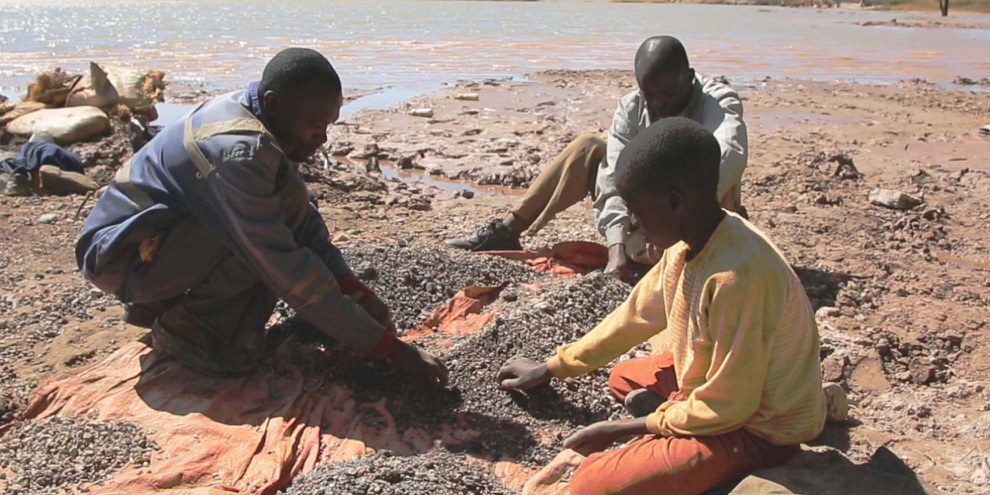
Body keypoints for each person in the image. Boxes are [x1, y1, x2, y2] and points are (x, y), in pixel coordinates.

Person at [497, 118, 844, 495]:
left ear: (676, 202)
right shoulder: (686, 244)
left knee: (591, 484)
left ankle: (704, 442)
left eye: (637, 211)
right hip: (725, 388)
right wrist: (553, 366)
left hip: (758, 427)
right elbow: (634, 316)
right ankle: (678, 420)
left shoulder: (737, 278)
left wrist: (630, 427)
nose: (632, 222)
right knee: (624, 378)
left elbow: (730, 407)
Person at [76, 48, 448, 388]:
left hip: (160, 240)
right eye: (315, 125)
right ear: (273, 102)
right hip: (123, 259)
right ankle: (188, 328)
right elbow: (283, 264)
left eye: (329, 125)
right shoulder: (237, 151)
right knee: (256, 250)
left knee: (283, 205)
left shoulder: (259, 118)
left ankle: (176, 303)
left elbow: (301, 217)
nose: (323, 138)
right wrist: (390, 349)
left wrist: (349, 285)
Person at [446, 35, 747, 283]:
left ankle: (676, 253)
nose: (659, 103)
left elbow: (727, 157)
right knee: (589, 146)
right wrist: (615, 247)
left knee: (706, 177)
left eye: (668, 93)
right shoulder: (632, 107)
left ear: (690, 77)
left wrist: (669, 220)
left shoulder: (717, 100)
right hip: (645, 220)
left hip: (691, 215)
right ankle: (507, 230)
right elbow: (617, 177)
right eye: (650, 94)